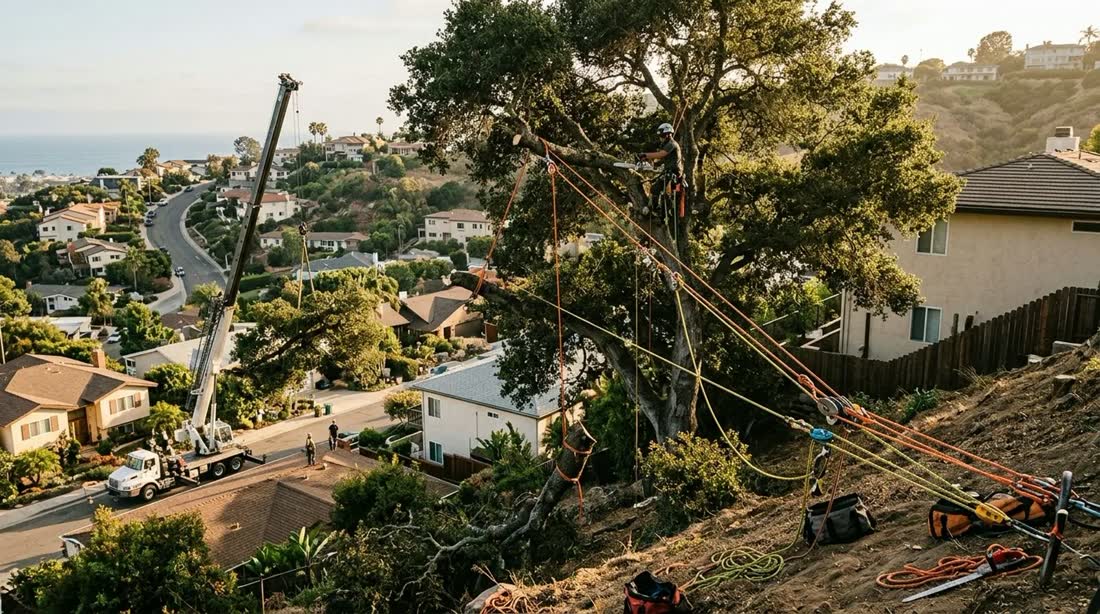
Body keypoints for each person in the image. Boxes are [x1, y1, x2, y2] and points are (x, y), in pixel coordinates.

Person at [636, 123, 684, 219]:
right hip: (669, 171)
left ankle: (659, 210)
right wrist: (652, 162)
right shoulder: (667, 144)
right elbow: (664, 158)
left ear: (668, 134)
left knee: (658, 190)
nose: (660, 138)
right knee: (654, 188)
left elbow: (661, 154)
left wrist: (645, 155)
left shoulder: (672, 144)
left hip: (673, 173)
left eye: (662, 136)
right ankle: (655, 209)